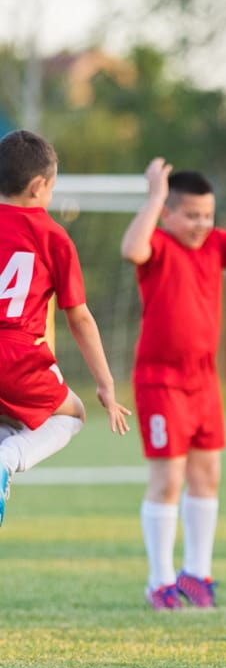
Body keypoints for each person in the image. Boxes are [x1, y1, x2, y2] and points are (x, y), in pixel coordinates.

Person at [120, 158, 226, 609]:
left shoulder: (215, 245)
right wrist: (154, 196)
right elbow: (131, 249)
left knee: (206, 475)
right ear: (169, 213)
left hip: (204, 382)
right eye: (190, 215)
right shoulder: (155, 242)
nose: (200, 224)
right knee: (168, 479)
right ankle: (159, 581)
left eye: (207, 215)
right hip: (161, 382)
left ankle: (197, 574)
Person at [0, 129, 132, 526]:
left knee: (9, 419)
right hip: (16, 353)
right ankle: (6, 463)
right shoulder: (52, 236)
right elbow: (79, 317)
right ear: (39, 186)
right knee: (71, 415)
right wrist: (106, 385)